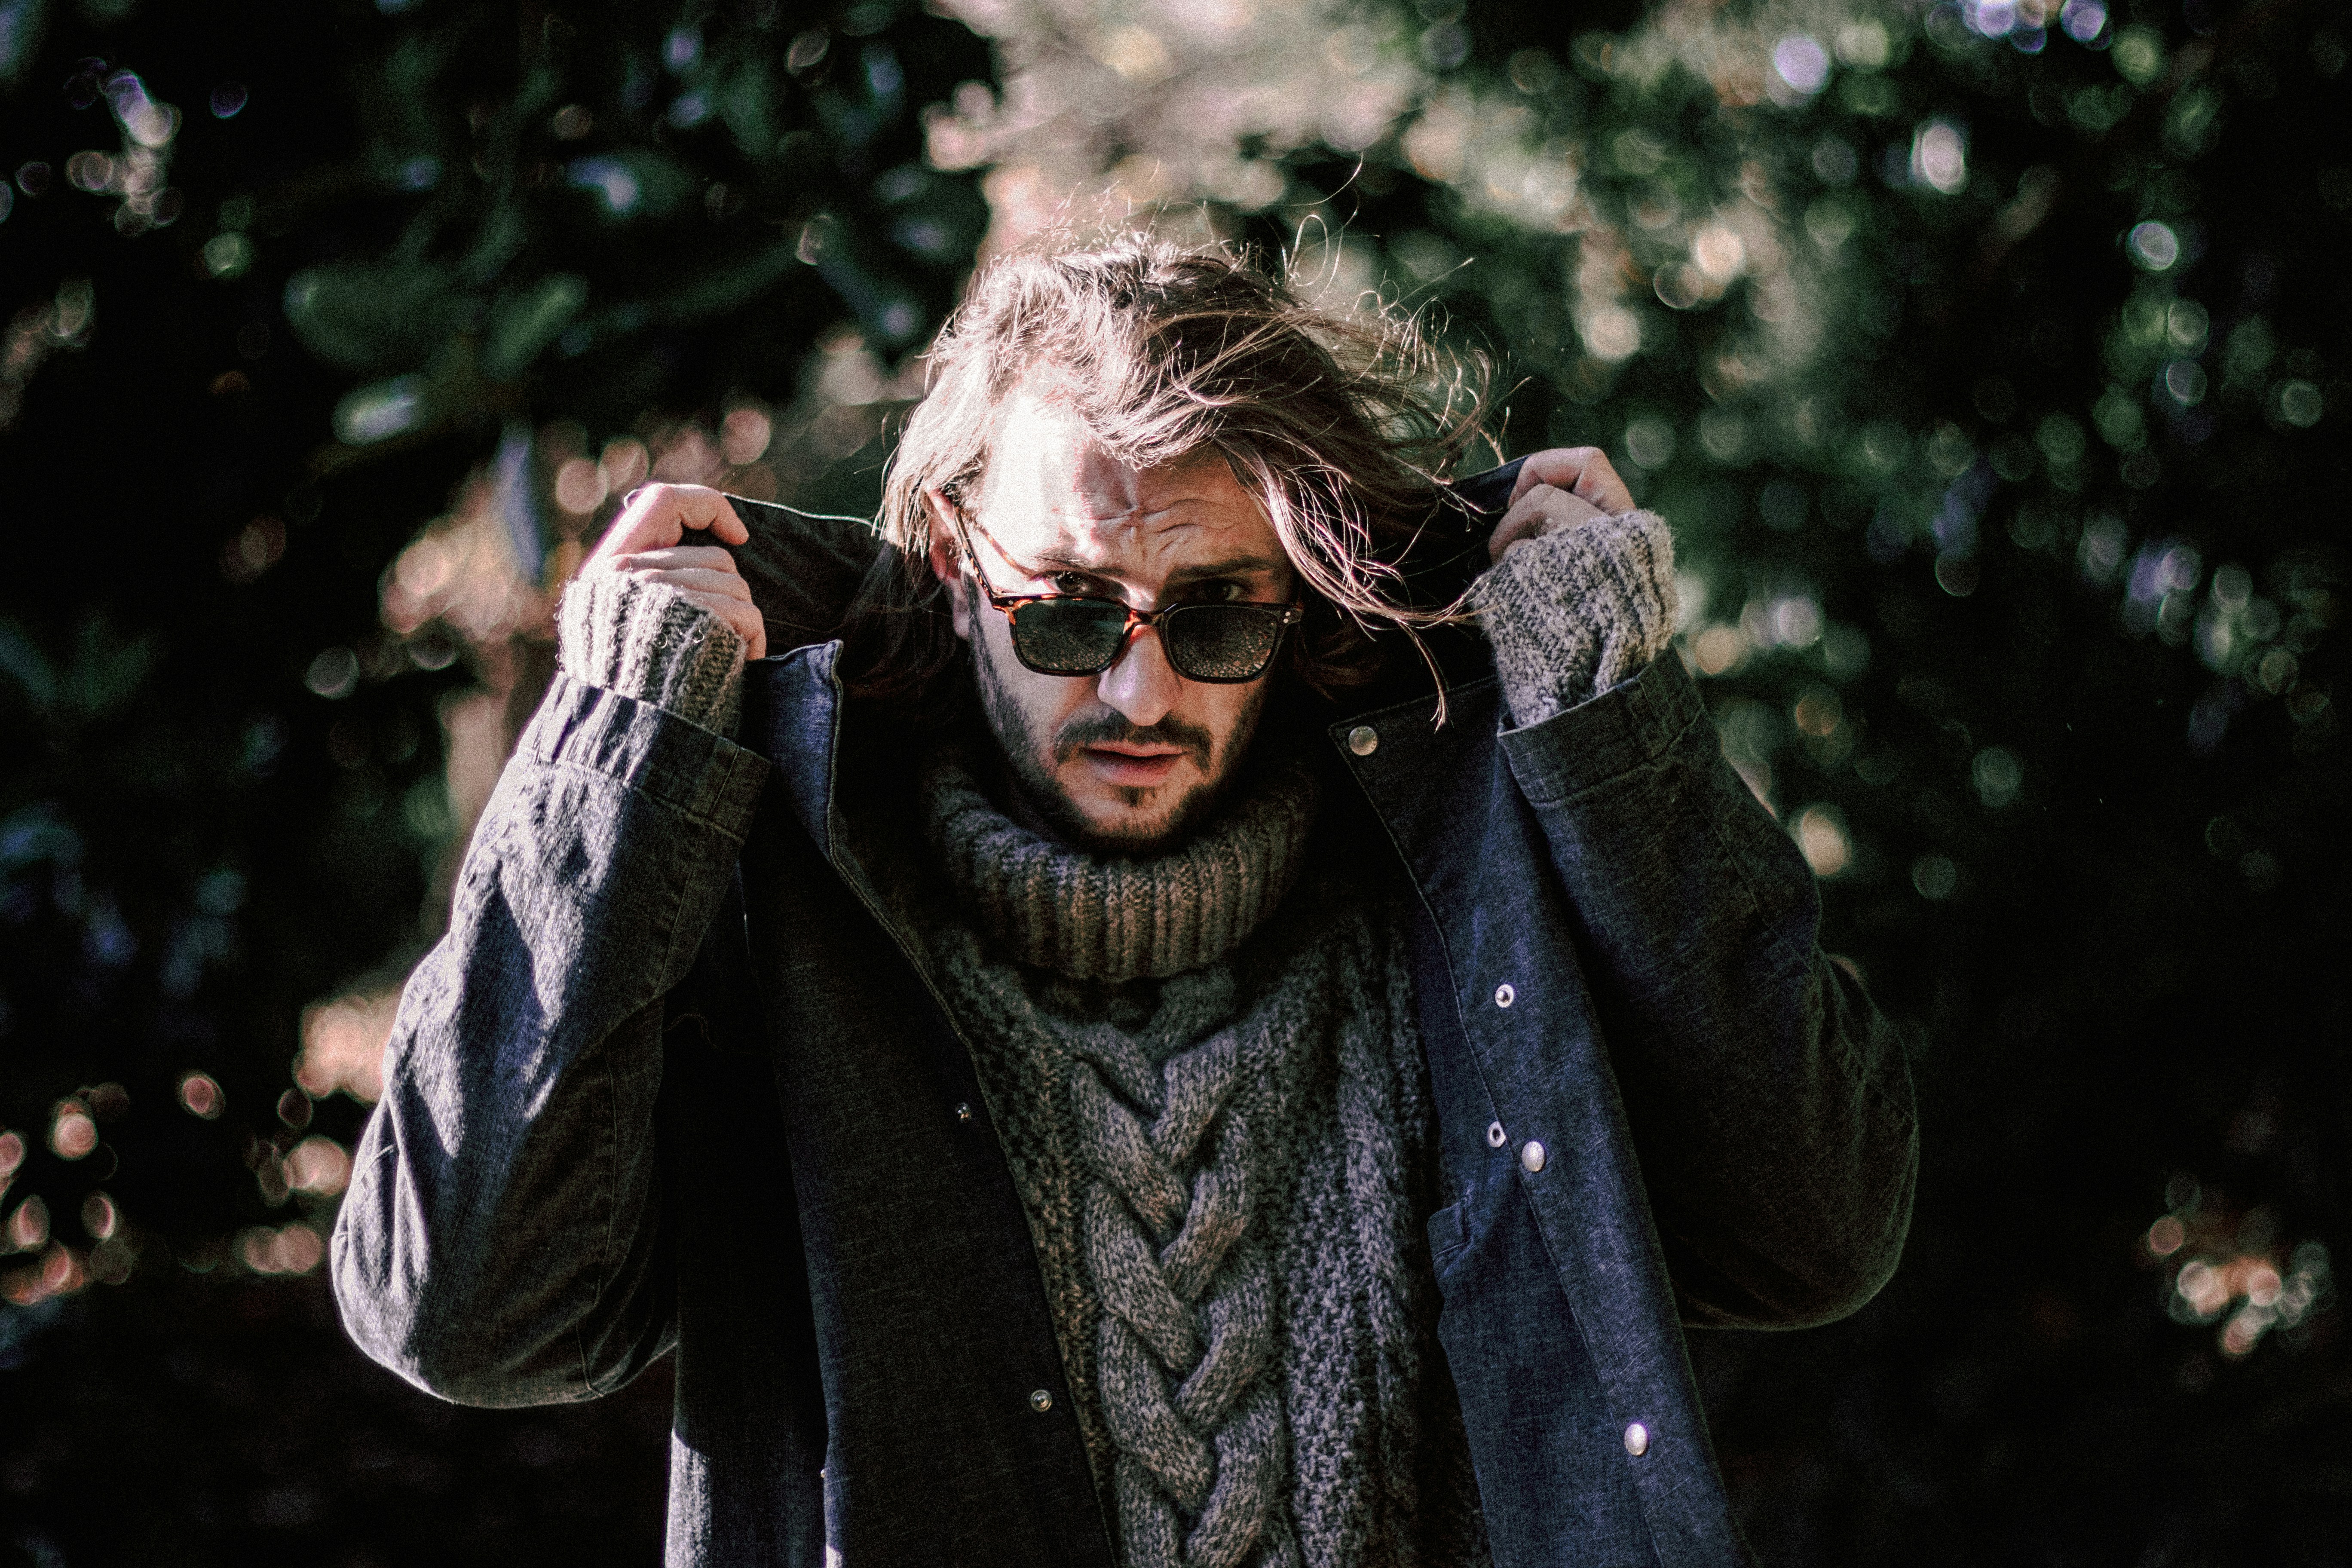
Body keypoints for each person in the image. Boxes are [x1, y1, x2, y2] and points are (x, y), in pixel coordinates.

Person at [332, 237, 1916, 1568]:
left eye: (1224, 612)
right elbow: (466, 1312)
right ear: (954, 564)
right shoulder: (781, 887)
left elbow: (1814, 1237)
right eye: (1072, 612)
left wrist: (1613, 725)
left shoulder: (1455, 877)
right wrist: (618, 745)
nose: (1145, 686)